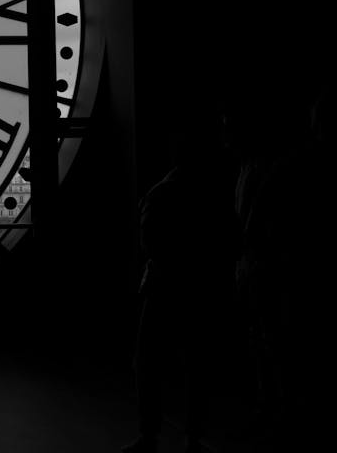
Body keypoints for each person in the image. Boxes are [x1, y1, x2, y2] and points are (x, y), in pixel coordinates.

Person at [122, 115, 234, 453]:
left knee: (148, 364)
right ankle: (195, 435)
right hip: (200, 288)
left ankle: (150, 434)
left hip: (163, 290)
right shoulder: (214, 193)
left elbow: (152, 244)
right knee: (197, 363)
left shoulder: (164, 192)